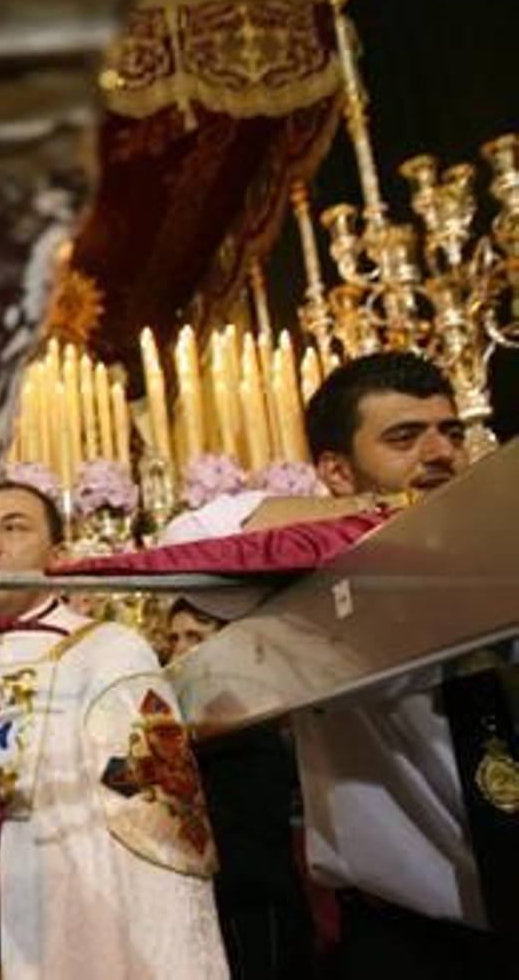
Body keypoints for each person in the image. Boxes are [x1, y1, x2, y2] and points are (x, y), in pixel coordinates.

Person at [161, 352, 503, 976]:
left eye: (450, 433)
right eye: (405, 437)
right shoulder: (311, 583)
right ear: (336, 471)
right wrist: (386, 516)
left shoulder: (501, 538)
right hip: (407, 943)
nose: (440, 453)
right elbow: (184, 538)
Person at [0, 484, 228, 978]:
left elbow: (148, 813)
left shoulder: (108, 653)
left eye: (14, 527)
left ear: (58, 555)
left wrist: (15, 879)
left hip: (60, 928)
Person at [167, 602, 313, 980]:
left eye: (194, 637)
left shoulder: (240, 711)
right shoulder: (198, 715)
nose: (179, 650)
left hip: (256, 900)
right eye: (174, 638)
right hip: (220, 898)